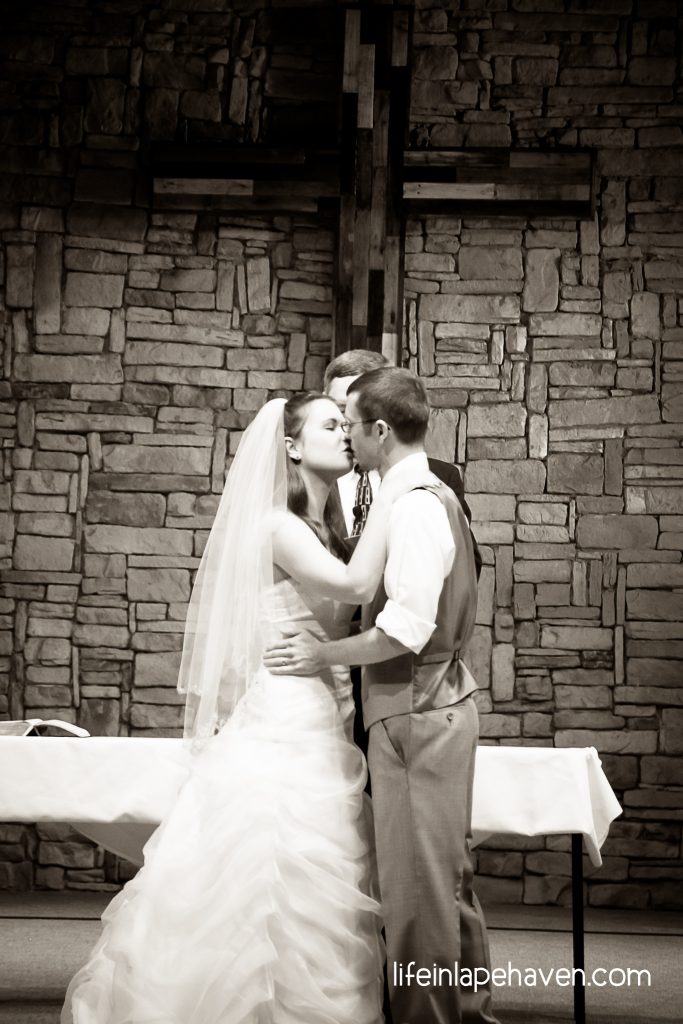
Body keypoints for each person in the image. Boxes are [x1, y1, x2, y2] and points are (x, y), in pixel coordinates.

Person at [61, 392, 407, 1024]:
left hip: (326, 705)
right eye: (331, 425)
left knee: (323, 871)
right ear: (293, 446)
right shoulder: (278, 524)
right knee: (271, 864)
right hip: (288, 713)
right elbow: (354, 587)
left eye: (345, 424)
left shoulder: (331, 525)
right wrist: (396, 485)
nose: (346, 435)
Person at [265, 368, 499, 1024]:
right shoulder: (408, 493)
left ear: (380, 431)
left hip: (416, 711)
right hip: (421, 708)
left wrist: (321, 654)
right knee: (439, 888)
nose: (345, 435)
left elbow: (403, 628)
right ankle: (467, 1015)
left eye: (350, 422)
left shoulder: (417, 503)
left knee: (418, 902)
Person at [323, 349, 481, 577]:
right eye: (339, 410)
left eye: (357, 413)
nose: (346, 427)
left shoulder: (439, 477)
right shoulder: (310, 476)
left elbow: (466, 566)